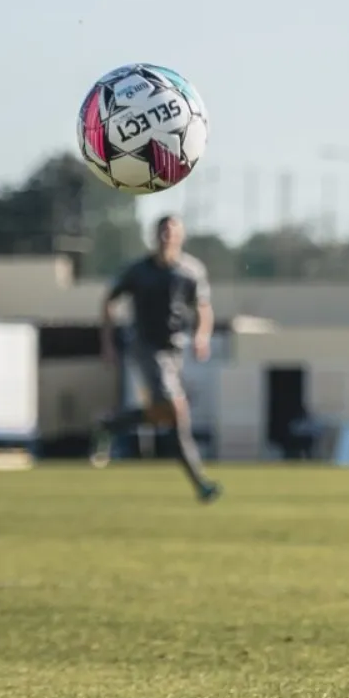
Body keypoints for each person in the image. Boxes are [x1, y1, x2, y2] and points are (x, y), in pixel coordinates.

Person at [91, 215, 223, 504]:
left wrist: (202, 336)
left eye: (172, 231)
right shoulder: (139, 271)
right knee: (176, 410)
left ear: (181, 236)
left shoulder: (191, 271)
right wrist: (107, 343)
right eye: (162, 231)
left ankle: (111, 425)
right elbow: (108, 300)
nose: (167, 236)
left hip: (175, 350)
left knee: (173, 420)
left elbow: (203, 308)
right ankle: (200, 482)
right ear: (155, 236)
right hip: (146, 348)